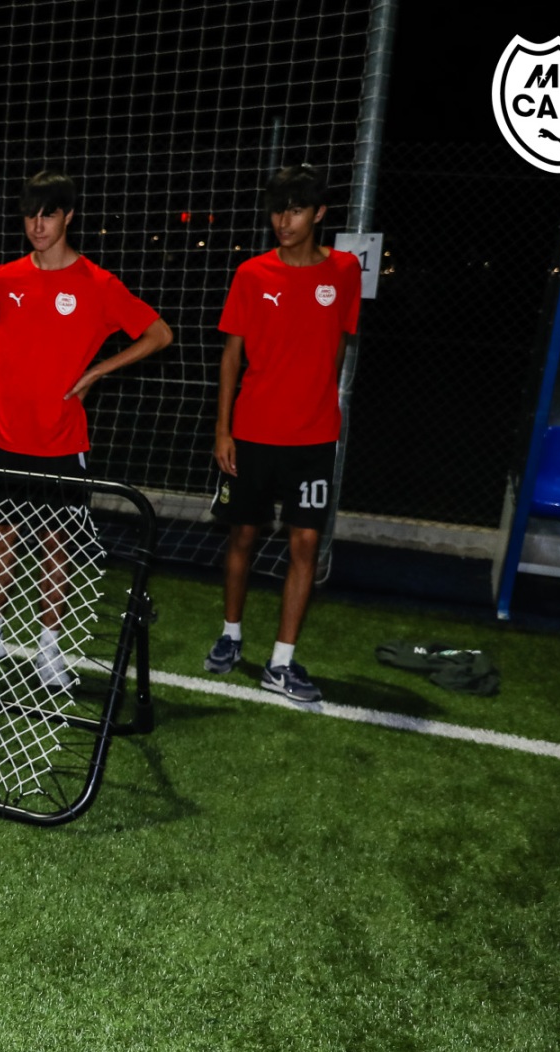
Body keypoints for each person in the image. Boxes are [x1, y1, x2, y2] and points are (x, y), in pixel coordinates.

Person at [0, 168, 173, 688]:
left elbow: (159, 334)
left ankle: (48, 650)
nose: (37, 225)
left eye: (48, 214)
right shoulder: (8, 276)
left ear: (69, 216)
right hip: (2, 432)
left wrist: (98, 371)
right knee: (1, 532)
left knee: (55, 541)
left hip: (61, 438)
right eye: (30, 215)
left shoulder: (98, 284)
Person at [203, 164, 361, 704]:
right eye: (277, 210)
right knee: (242, 536)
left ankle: (281, 663)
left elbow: (338, 345)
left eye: (295, 210)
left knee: (306, 543)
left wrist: (317, 403)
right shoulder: (252, 274)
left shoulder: (344, 271)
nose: (283, 221)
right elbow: (232, 356)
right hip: (251, 433)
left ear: (318, 213)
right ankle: (231, 635)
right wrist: (223, 429)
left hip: (313, 439)